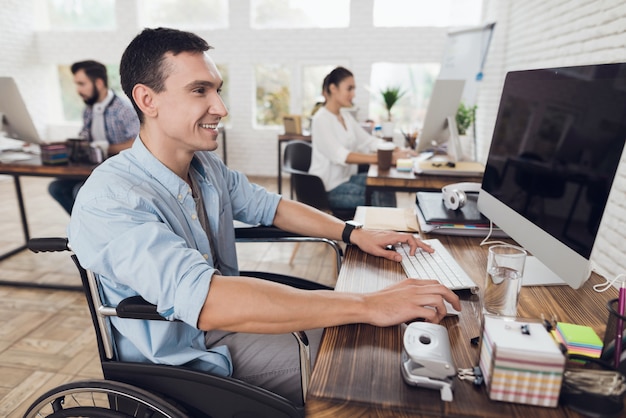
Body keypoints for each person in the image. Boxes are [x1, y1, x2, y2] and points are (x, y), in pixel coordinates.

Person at [67, 27, 460, 406]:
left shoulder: (206, 167)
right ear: (147, 100)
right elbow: (207, 301)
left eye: (217, 90)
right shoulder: (111, 199)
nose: (220, 108)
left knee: (376, 337)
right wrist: (368, 303)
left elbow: (272, 207)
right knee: (365, 369)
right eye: (199, 91)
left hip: (227, 322)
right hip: (186, 355)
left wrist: (352, 233)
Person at [308, 66, 413, 212]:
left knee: (384, 184)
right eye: (349, 88)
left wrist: (398, 149)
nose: (353, 94)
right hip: (329, 188)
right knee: (379, 195)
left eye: (354, 89)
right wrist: (385, 158)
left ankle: (392, 231)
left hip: (348, 179)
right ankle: (389, 233)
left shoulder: (345, 117)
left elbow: (369, 141)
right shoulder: (321, 119)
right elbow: (344, 156)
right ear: (333, 88)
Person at [48, 60, 140, 214]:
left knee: (80, 191)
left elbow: (138, 143)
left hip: (121, 171)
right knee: (56, 188)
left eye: (81, 84)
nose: (78, 90)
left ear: (98, 83)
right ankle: (85, 226)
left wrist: (106, 148)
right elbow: (85, 138)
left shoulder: (124, 109)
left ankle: (92, 228)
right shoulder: (88, 110)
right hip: (93, 169)